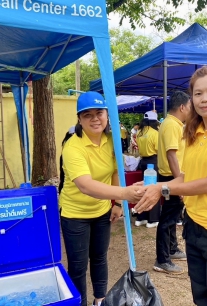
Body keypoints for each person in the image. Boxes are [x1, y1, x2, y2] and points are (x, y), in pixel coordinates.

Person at [135, 66, 207, 305]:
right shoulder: (194, 133)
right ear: (191, 99)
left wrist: (163, 189)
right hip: (195, 228)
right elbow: (187, 177)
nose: (204, 99)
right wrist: (153, 186)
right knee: (203, 299)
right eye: (198, 94)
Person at [59, 91, 144, 306]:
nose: (95, 119)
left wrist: (116, 204)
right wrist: (125, 195)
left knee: (99, 257)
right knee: (78, 265)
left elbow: (116, 172)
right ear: (79, 119)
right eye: (88, 115)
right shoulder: (72, 146)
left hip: (102, 210)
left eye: (99, 113)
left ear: (107, 115)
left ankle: (100, 300)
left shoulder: (112, 141)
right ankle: (80, 303)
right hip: (75, 213)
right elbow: (85, 185)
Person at [154, 90, 191, 274]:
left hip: (174, 177)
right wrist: (179, 183)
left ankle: (172, 248)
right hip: (171, 178)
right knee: (168, 219)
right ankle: (162, 259)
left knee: (173, 215)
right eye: (190, 107)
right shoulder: (171, 125)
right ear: (183, 107)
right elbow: (171, 154)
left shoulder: (175, 124)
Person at [135, 110, 161, 228]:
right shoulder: (155, 133)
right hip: (153, 162)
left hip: (142, 162)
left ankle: (141, 217)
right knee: (153, 189)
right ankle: (153, 219)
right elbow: (159, 150)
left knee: (143, 189)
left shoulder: (139, 132)